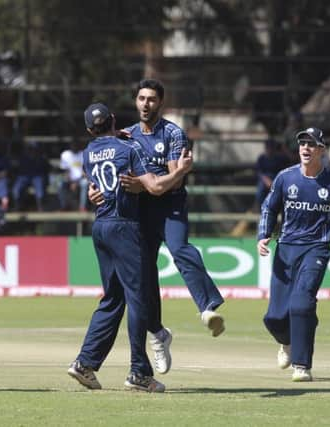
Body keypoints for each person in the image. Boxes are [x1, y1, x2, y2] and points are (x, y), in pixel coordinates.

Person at [88, 79, 225, 375]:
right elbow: (104, 170)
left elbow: (174, 176)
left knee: (180, 249)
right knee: (144, 278)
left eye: (151, 99)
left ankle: (207, 307)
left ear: (160, 103)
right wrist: (94, 191)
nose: (145, 104)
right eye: (141, 98)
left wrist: (150, 183)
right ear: (136, 102)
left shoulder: (173, 133)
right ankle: (158, 335)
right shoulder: (127, 136)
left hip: (170, 205)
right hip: (140, 211)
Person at [67, 103, 193, 393]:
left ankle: (85, 363)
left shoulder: (87, 154)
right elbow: (156, 187)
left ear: (89, 130)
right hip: (124, 226)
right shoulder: (130, 148)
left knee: (113, 298)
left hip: (100, 227)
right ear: (113, 120)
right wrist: (180, 172)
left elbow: (95, 186)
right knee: (137, 298)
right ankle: (139, 372)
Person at [257, 127, 330, 382]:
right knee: (274, 318)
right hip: (286, 248)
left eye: (312, 144)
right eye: (302, 143)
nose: (305, 148)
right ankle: (287, 341)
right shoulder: (285, 178)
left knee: (301, 303)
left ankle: (302, 365)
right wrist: (263, 234)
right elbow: (269, 207)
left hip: (317, 249)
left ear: (321, 150)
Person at [11, 142, 50, 211]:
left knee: (40, 188)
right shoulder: (22, 157)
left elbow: (47, 168)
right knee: (16, 189)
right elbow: (16, 169)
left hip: (37, 177)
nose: (32, 150)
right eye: (30, 148)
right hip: (24, 177)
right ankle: (18, 206)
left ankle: (40, 207)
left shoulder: (41, 157)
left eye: (33, 149)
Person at [255, 138, 291, 207]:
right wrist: (266, 180)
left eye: (271, 147)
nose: (269, 149)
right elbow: (259, 172)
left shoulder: (280, 158)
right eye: (268, 147)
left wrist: (284, 149)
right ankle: (263, 208)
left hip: (277, 177)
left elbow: (287, 166)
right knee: (260, 192)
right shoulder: (261, 158)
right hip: (265, 178)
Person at [58, 141, 88, 211]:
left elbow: (85, 172)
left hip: (81, 179)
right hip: (70, 179)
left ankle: (82, 207)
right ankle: (64, 206)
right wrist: (71, 182)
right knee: (60, 184)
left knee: (85, 184)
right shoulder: (65, 154)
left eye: (76, 145)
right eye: (73, 145)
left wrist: (76, 182)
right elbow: (66, 171)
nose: (74, 147)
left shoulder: (83, 154)